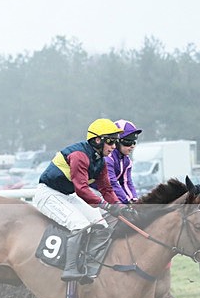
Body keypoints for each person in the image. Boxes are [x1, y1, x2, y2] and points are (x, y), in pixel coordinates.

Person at [34, 119, 137, 283]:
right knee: (80, 226)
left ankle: (90, 268)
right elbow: (82, 189)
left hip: (67, 195)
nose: (112, 146)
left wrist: (120, 207)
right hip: (48, 193)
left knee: (102, 226)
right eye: (110, 141)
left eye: (115, 142)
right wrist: (106, 205)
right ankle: (70, 268)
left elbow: (106, 189)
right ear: (98, 140)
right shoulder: (79, 156)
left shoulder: (100, 160)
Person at [105, 119, 142, 203]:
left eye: (134, 142)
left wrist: (134, 200)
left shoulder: (127, 161)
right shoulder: (107, 158)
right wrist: (127, 201)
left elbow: (126, 182)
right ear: (116, 141)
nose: (132, 146)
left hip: (106, 193)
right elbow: (112, 183)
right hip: (91, 192)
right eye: (128, 142)